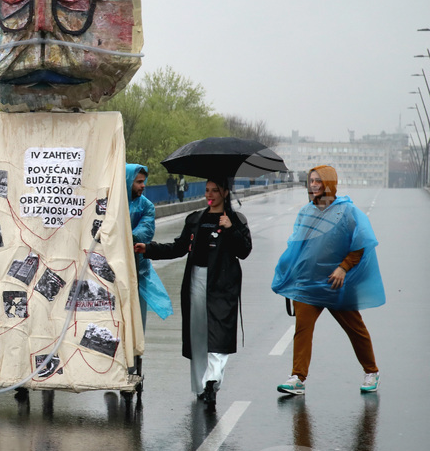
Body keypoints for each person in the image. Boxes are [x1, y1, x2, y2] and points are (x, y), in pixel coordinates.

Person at [135, 176, 251, 408]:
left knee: (218, 334)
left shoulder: (236, 219)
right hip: (196, 279)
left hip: (222, 283)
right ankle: (202, 386)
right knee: (198, 334)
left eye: (215, 190)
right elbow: (178, 248)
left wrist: (230, 230)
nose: (209, 195)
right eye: (207, 190)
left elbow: (244, 250)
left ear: (225, 193)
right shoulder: (195, 219)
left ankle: (212, 381)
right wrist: (148, 249)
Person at [271, 165, 384, 395]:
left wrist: (343, 268)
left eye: (318, 181)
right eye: (311, 181)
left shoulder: (347, 212)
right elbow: (297, 247)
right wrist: (288, 275)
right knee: (302, 329)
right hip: (306, 284)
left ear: (329, 184)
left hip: (336, 285)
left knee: (355, 328)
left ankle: (371, 371)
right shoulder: (306, 212)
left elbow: (361, 243)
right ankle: (297, 378)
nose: (313, 185)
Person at [126, 163, 172, 331]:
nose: (143, 185)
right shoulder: (110, 203)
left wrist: (126, 237)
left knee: (137, 318)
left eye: (143, 181)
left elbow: (146, 230)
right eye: (138, 182)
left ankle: (136, 355)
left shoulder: (146, 206)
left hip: (137, 268)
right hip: (111, 268)